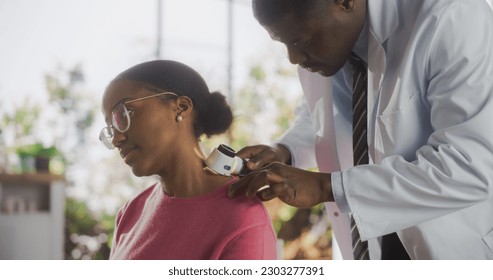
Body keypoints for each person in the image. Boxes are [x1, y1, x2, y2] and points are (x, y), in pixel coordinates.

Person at [228, 0, 493, 259]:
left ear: (344, 3)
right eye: (284, 44)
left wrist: (326, 187)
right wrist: (285, 150)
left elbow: (469, 166)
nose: (293, 59)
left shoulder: (451, 15)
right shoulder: (330, 45)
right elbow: (322, 115)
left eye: (300, 42)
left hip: (457, 246)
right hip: (376, 248)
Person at [100, 60, 277, 260]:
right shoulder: (131, 213)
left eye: (124, 113)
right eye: (111, 128)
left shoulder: (243, 218)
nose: (116, 139)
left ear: (181, 107)